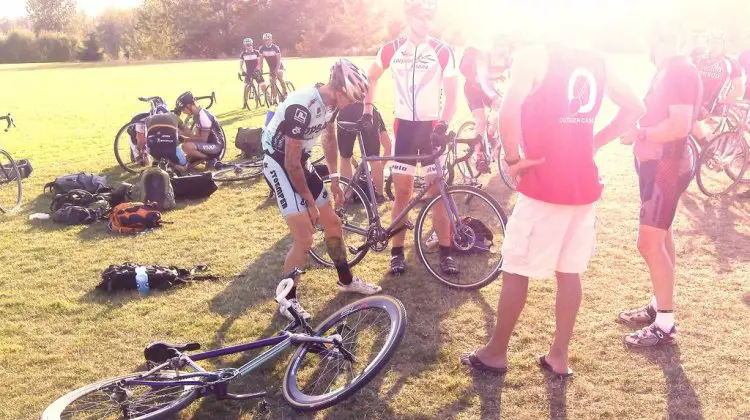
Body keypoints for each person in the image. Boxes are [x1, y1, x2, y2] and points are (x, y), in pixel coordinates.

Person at [459, 38, 645, 375]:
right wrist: (594, 142)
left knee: (515, 267)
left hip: (545, 184)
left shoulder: (535, 54)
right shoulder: (598, 58)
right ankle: (558, 356)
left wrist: (513, 159)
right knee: (569, 272)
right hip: (583, 186)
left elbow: (508, 109)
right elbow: (635, 107)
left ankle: (496, 352)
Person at [261, 59, 382, 321]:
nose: (351, 104)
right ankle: (287, 299)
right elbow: (290, 164)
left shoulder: (330, 103)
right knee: (305, 237)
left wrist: (335, 176)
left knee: (333, 224)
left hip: (299, 161)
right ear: (339, 90)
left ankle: (346, 279)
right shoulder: (300, 106)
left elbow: (328, 138)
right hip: (279, 162)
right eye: (350, 98)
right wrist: (309, 201)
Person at [617, 26, 703, 347]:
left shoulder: (680, 70)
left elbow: (681, 126)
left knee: (648, 243)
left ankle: (665, 324)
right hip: (657, 165)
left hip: (667, 166)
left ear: (659, 36)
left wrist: (639, 134)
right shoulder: (668, 69)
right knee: (662, 238)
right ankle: (658, 305)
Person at [363, 0, 459, 276]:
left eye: (430, 17)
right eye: (421, 16)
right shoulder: (391, 49)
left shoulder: (442, 51)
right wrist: (368, 109)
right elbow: (372, 77)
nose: (426, 22)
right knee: (402, 193)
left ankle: (446, 250)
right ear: (409, 16)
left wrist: (443, 125)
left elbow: (452, 95)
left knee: (436, 192)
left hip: (431, 129)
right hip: (403, 128)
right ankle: (396, 252)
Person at [459, 33, 514, 173]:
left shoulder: (509, 58)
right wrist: (495, 96)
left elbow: (515, 78)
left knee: (503, 113)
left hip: (490, 89)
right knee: (481, 120)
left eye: (506, 45)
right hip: (473, 89)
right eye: (500, 44)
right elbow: (483, 81)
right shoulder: (483, 56)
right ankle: (479, 156)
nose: (503, 48)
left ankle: (490, 135)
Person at [690, 30, 746, 146]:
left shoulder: (731, 64)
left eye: (718, 43)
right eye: (712, 42)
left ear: (723, 45)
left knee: (695, 133)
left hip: (714, 110)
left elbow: (739, 89)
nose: (714, 46)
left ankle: (708, 151)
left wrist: (721, 101)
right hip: (694, 104)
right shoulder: (699, 59)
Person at [335, 102, 391, 201]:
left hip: (347, 109)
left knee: (345, 158)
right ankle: (379, 195)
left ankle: (348, 195)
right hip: (367, 108)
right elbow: (388, 148)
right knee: (374, 158)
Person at [174, 92, 226, 169]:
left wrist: (183, 137)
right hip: (209, 144)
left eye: (183, 109)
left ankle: (210, 159)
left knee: (186, 146)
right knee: (186, 160)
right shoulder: (197, 115)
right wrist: (184, 135)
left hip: (216, 146)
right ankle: (203, 158)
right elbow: (197, 136)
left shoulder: (203, 116)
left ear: (189, 106)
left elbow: (202, 139)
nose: (183, 112)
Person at [259, 33, 288, 100]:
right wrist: (260, 69)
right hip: (271, 67)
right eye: (266, 40)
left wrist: (277, 69)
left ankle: (285, 92)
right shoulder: (262, 49)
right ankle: (274, 99)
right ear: (264, 41)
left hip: (279, 66)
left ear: (271, 40)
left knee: (280, 78)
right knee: (272, 83)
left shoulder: (275, 47)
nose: (267, 41)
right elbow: (261, 61)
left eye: (269, 40)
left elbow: (278, 60)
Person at [239, 37, 263, 109]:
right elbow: (241, 65)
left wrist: (258, 69)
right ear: (245, 45)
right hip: (248, 73)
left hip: (257, 72)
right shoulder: (243, 54)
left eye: (250, 44)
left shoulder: (256, 52)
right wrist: (243, 71)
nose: (249, 46)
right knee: (246, 89)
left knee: (263, 86)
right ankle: (244, 103)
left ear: (252, 44)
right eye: (247, 45)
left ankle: (269, 100)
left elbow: (260, 63)